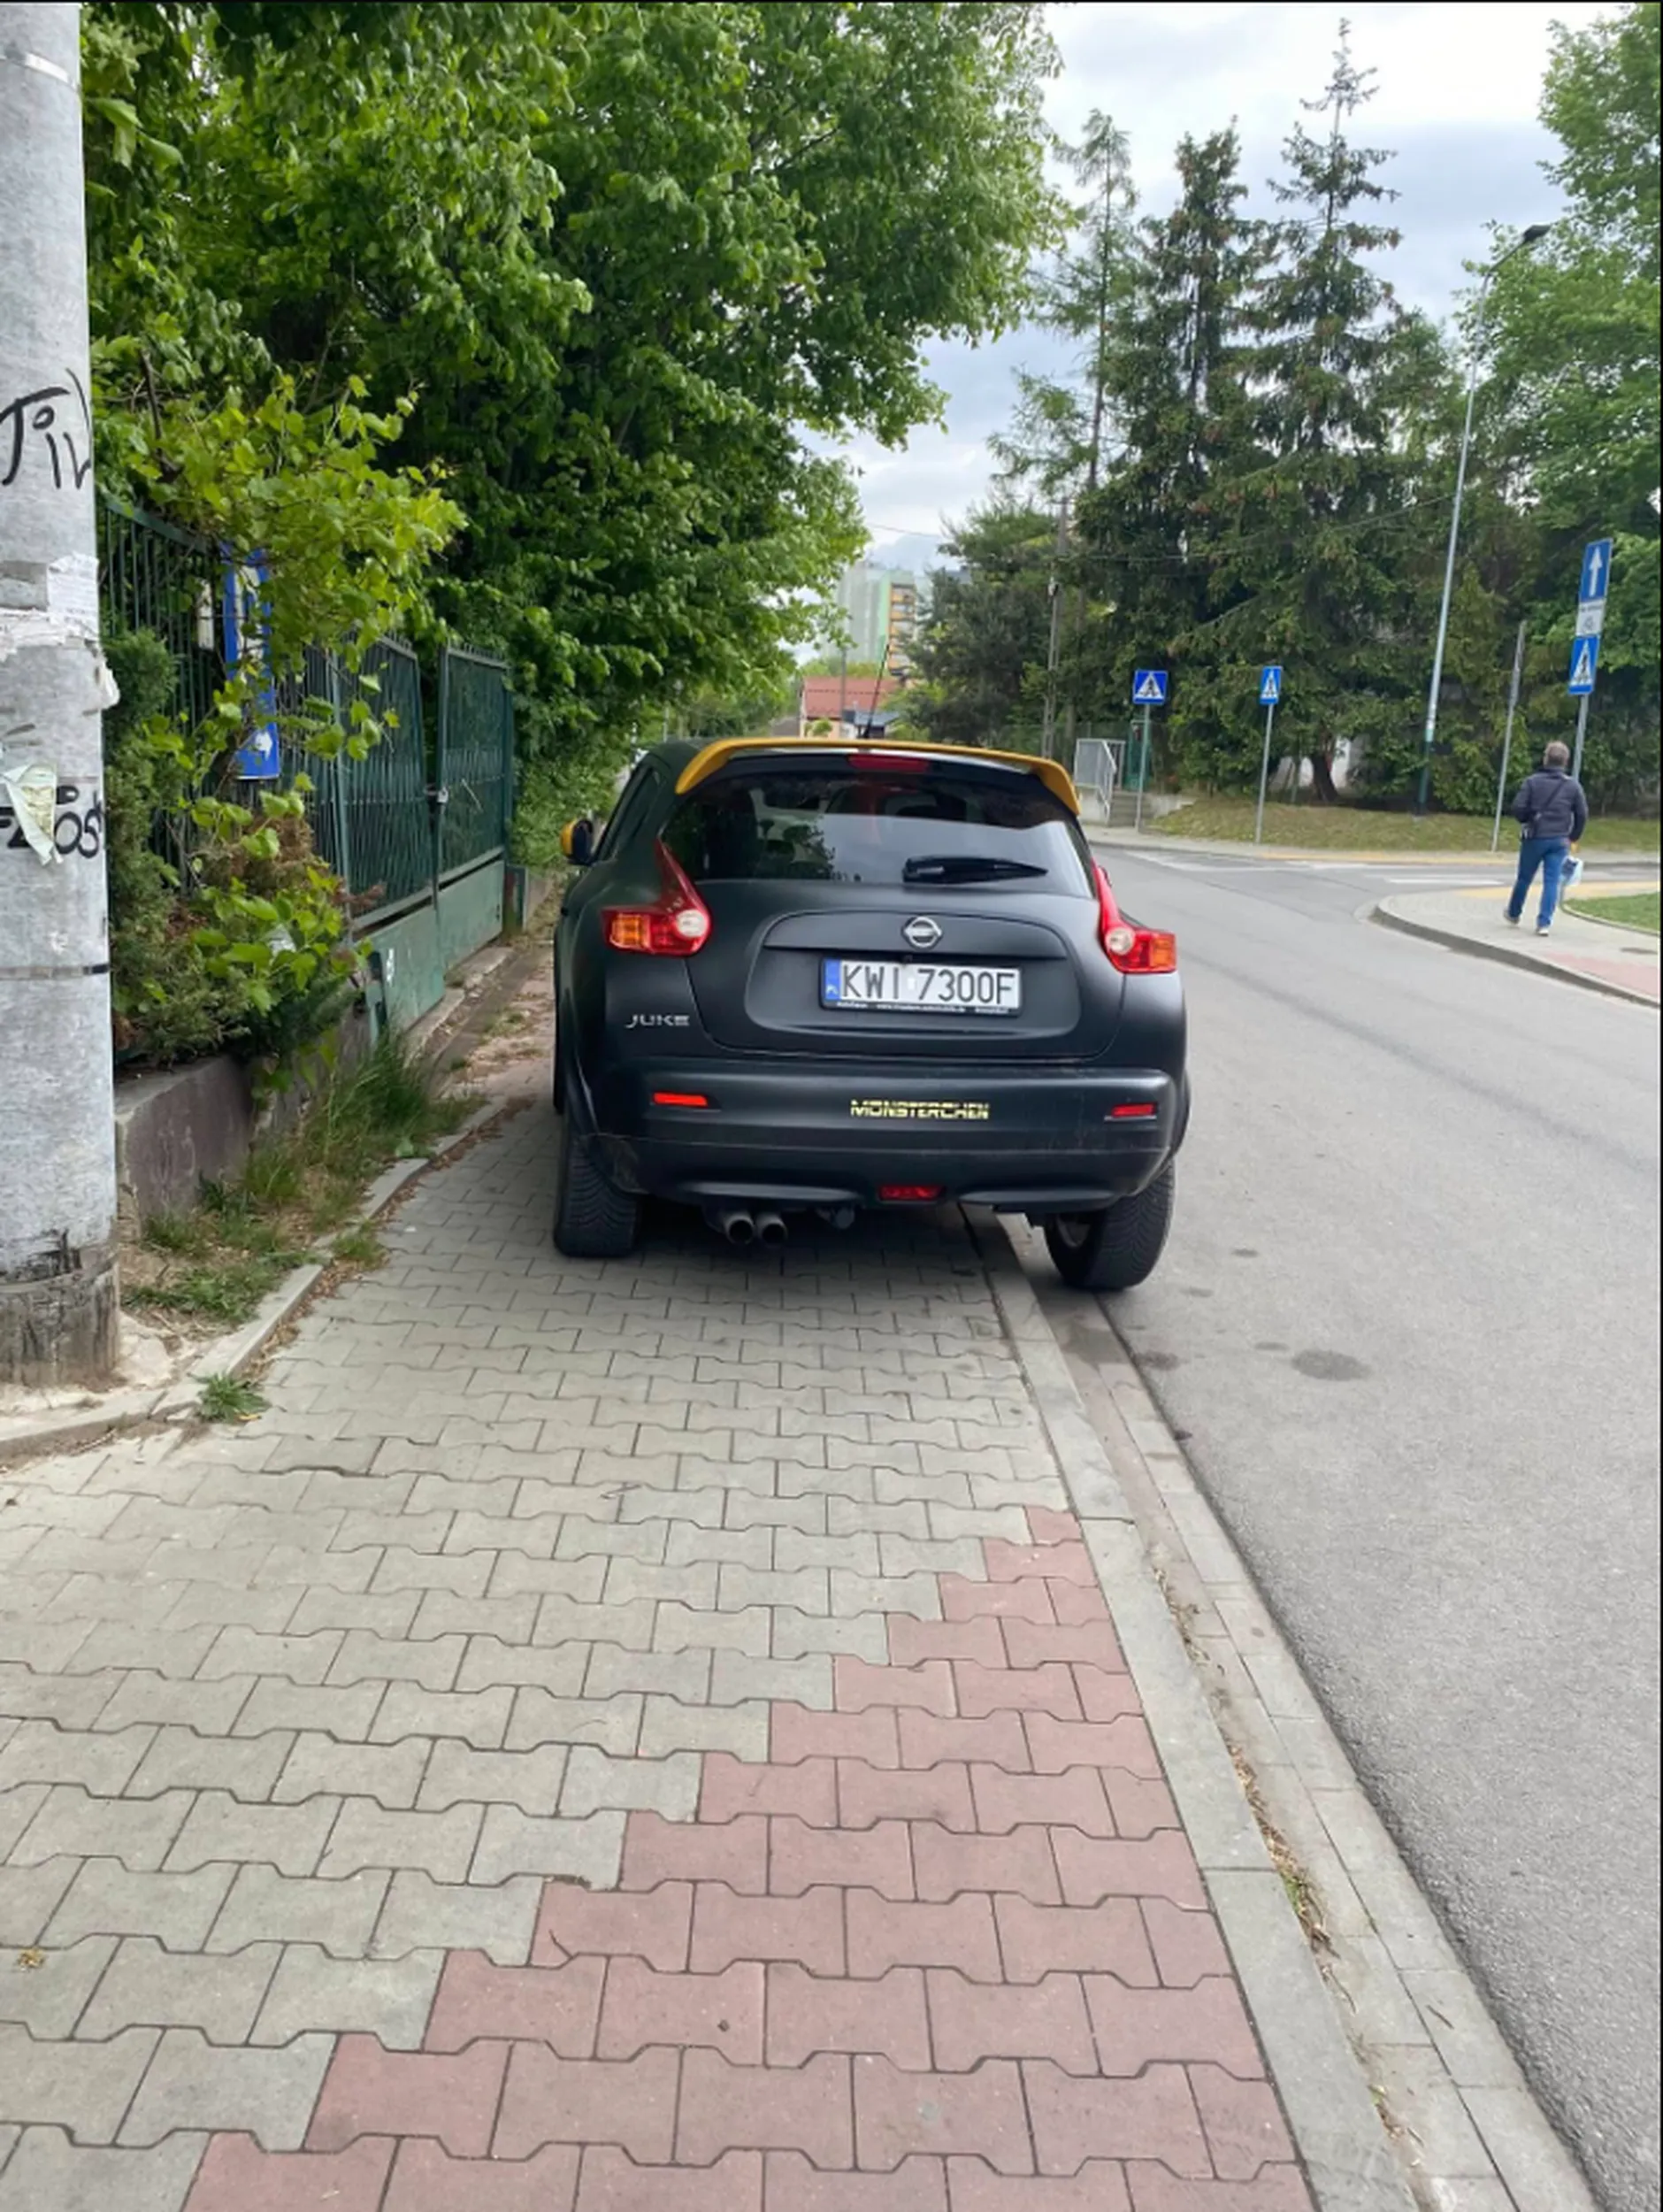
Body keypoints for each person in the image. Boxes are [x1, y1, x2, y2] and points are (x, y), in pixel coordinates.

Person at [1506, 741, 1588, 935]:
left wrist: (1528, 819)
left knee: (1524, 877)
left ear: (1545, 759)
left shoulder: (1532, 782)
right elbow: (1582, 814)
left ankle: (1514, 913)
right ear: (1565, 762)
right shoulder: (1573, 786)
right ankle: (1544, 923)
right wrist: (1573, 837)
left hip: (1535, 837)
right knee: (1552, 881)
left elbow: (1517, 808)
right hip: (1560, 840)